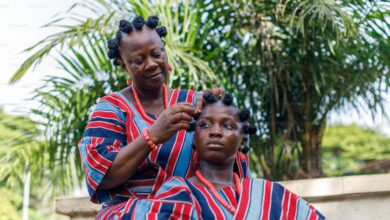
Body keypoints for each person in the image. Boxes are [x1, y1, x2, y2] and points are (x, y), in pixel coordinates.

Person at [78, 15, 250, 219]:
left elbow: (229, 158)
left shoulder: (194, 102)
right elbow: (102, 176)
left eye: (156, 54)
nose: (151, 64)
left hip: (192, 208)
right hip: (129, 213)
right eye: (138, 61)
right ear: (124, 65)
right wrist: (152, 136)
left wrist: (222, 114)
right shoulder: (112, 108)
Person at [150, 93, 326, 220]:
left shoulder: (271, 195)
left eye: (227, 126)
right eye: (205, 125)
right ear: (194, 137)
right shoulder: (177, 193)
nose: (216, 132)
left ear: (242, 142)